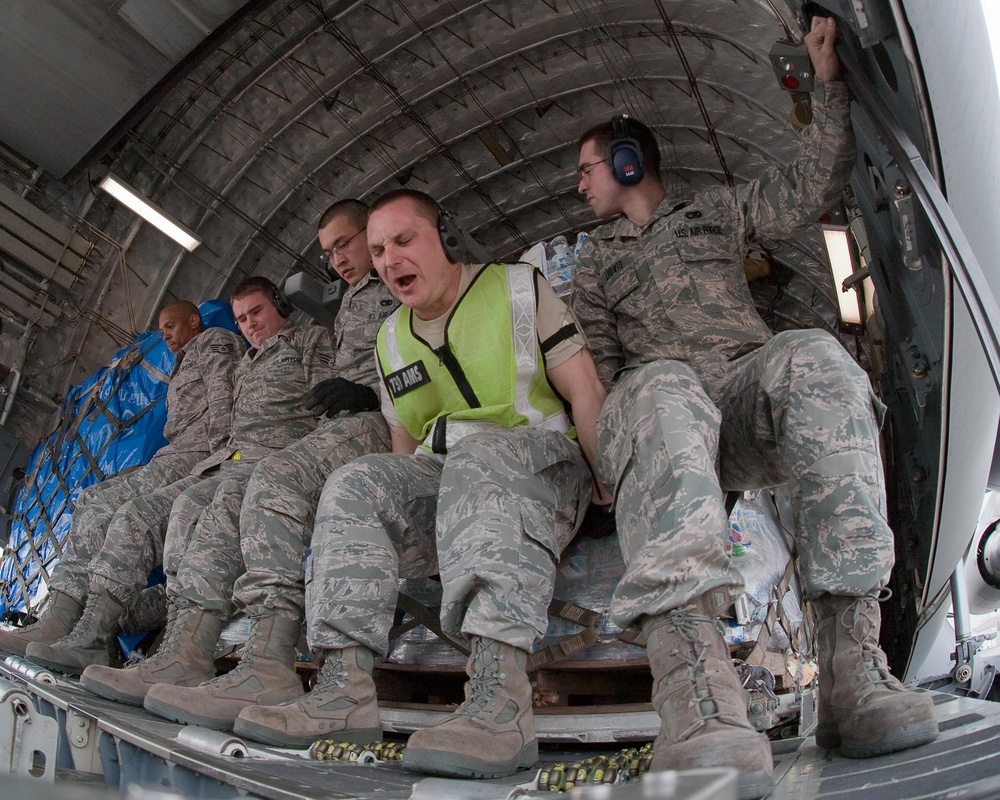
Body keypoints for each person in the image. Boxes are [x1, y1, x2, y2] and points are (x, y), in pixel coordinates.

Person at [570, 16, 937, 800]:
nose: (580, 183)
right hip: (662, 417)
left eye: (589, 168)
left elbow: (811, 182)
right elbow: (595, 367)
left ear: (630, 162)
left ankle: (851, 669)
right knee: (660, 383)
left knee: (813, 354)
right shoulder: (593, 260)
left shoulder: (716, 213)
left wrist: (827, 84)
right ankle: (697, 697)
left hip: (741, 394)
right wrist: (600, 455)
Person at [230, 189, 609, 779]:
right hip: (449, 476)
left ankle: (498, 698)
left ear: (446, 237)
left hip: (538, 463)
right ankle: (344, 688)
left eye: (403, 241)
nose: (388, 259)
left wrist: (603, 482)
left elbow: (584, 387)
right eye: (379, 249)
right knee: (357, 481)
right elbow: (404, 451)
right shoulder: (390, 340)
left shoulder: (517, 288)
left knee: (484, 460)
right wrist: (414, 523)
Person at [90, 200, 397, 728]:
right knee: (187, 506)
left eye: (345, 243)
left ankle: (260, 658)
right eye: (330, 252)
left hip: (366, 426)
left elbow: (329, 393)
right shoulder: (345, 305)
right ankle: (175, 643)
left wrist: (366, 399)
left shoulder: (350, 311)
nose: (340, 259)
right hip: (284, 443)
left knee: (259, 485)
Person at [25, 278, 335, 676]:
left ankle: (181, 651)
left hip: (269, 463)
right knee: (138, 514)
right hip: (227, 462)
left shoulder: (305, 341)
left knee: (208, 516)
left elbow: (322, 410)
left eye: (256, 312)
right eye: (241, 318)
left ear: (279, 305)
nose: (249, 325)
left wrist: (228, 454)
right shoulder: (246, 364)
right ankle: (93, 632)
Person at [0, 302, 242, 658]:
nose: (166, 335)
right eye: (162, 330)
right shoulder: (182, 362)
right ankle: (61, 616)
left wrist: (222, 459)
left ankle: (83, 630)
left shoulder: (213, 341)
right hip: (176, 454)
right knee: (90, 500)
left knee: (124, 512)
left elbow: (224, 399)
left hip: (197, 455)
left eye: (171, 326)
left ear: (194, 321)